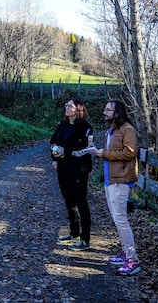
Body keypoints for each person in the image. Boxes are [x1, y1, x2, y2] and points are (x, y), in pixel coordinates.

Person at [88, 99, 141, 275]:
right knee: (117, 218)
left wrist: (103, 153)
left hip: (121, 180)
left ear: (117, 112)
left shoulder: (128, 129)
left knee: (121, 219)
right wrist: (98, 152)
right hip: (110, 179)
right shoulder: (113, 130)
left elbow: (130, 152)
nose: (104, 112)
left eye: (108, 110)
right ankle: (126, 253)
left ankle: (133, 260)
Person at [50, 98, 94, 251]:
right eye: (66, 106)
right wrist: (55, 158)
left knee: (81, 202)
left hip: (78, 169)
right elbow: (53, 141)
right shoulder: (62, 125)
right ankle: (74, 232)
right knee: (69, 201)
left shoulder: (85, 127)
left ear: (79, 109)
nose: (67, 108)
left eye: (70, 106)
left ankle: (85, 239)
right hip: (62, 168)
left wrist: (66, 152)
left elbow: (86, 148)